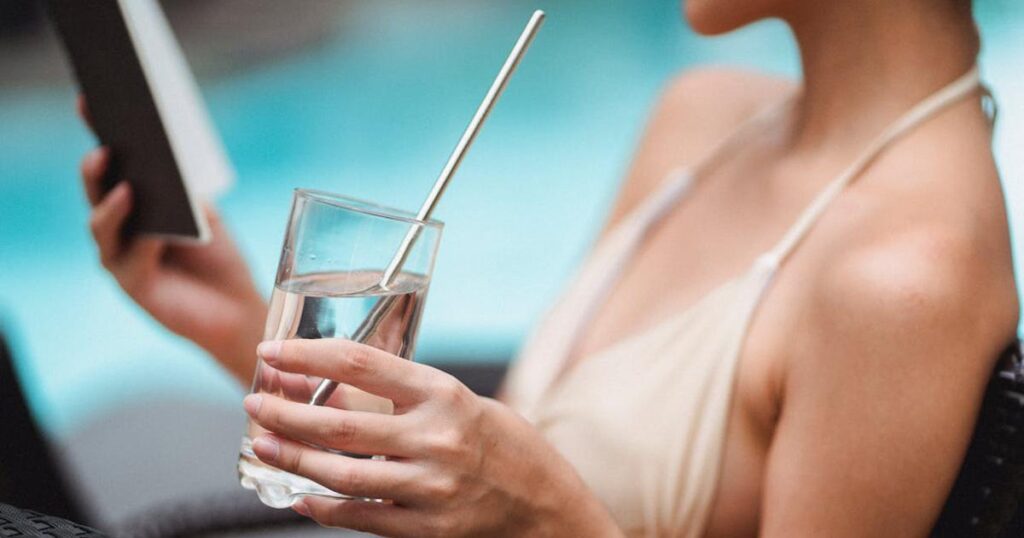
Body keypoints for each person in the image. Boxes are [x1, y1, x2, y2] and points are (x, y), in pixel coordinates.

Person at [77, 0, 1019, 536]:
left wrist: (550, 516)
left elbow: (533, 493)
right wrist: (245, 321)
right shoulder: (706, 120)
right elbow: (508, 467)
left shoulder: (904, 283)